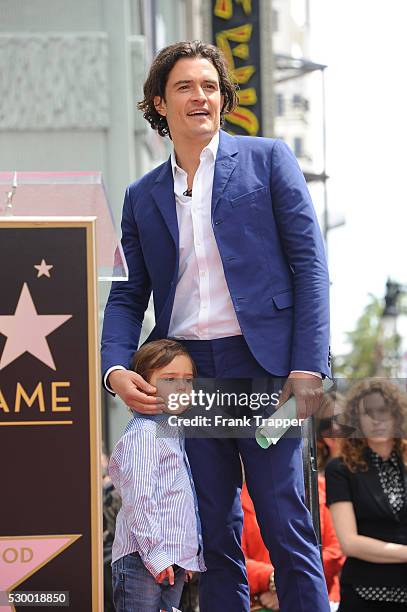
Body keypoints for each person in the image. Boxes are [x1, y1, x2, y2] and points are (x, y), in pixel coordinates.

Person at [101, 40, 331, 611]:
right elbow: (129, 295)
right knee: (211, 533)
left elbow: (311, 267)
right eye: (184, 86)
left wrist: (308, 366)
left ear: (222, 98)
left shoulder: (268, 159)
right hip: (188, 380)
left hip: (267, 371)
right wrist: (113, 368)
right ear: (159, 103)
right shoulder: (140, 196)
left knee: (284, 519)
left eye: (209, 86)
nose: (200, 96)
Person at [108, 339, 205, 612]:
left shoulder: (173, 432)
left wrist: (183, 557)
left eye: (188, 379)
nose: (182, 387)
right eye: (170, 379)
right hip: (143, 560)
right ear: (142, 385)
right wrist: (157, 555)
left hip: (169, 561)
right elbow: (139, 500)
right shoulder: (144, 434)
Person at [325, 379, 407, 611]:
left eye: (383, 410)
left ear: (397, 414)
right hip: (365, 595)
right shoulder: (340, 469)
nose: (377, 419)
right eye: (368, 413)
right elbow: (350, 543)